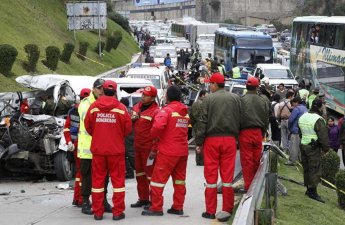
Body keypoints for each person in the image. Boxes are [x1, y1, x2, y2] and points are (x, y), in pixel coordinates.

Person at [195, 73, 241, 222]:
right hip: (229, 140)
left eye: (210, 84)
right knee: (227, 178)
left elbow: (202, 122)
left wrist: (199, 142)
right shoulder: (235, 98)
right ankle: (227, 209)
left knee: (211, 177)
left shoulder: (208, 99)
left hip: (212, 141)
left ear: (215, 84)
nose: (209, 86)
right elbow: (241, 119)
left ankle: (210, 211)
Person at [85, 80, 132, 221]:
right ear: (115, 91)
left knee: (97, 182)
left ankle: (98, 212)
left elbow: (88, 127)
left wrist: (99, 134)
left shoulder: (93, 107)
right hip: (116, 151)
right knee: (118, 183)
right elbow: (128, 128)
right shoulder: (121, 108)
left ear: (103, 91)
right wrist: (116, 136)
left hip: (99, 151)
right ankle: (118, 212)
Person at [142, 85, 190, 216]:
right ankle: (178, 206)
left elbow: (157, 127)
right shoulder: (184, 112)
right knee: (179, 180)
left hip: (168, 151)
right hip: (182, 151)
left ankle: (156, 207)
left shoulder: (166, 111)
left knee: (157, 180)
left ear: (167, 96)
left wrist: (152, 137)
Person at [77, 78, 112, 215]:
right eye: (99, 88)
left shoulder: (104, 103)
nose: (101, 91)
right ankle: (85, 202)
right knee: (87, 177)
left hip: (102, 147)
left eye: (103, 88)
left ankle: (103, 201)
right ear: (93, 89)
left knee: (104, 176)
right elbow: (90, 125)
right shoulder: (86, 104)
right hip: (88, 148)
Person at [239, 76, 270, 191]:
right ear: (257, 87)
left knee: (247, 161)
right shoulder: (263, 100)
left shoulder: (241, 100)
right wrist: (262, 132)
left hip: (244, 133)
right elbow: (266, 118)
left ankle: (248, 186)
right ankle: (256, 186)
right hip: (258, 132)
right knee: (257, 160)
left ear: (246, 87)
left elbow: (238, 118)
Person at [130, 86, 159, 208]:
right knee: (140, 175)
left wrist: (154, 150)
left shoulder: (156, 112)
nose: (142, 97)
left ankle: (154, 200)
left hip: (148, 149)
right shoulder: (136, 107)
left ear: (152, 98)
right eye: (142, 94)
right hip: (137, 147)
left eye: (146, 95)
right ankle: (143, 198)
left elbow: (158, 133)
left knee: (150, 176)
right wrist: (131, 119)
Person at [63, 88, 91, 207]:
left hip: (74, 146)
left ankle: (76, 198)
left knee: (79, 173)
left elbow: (66, 128)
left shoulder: (72, 110)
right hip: (83, 147)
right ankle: (80, 199)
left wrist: (69, 142)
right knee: (84, 174)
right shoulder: (88, 110)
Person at [298, 99, 329, 203]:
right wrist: (326, 149)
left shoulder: (303, 116)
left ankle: (308, 189)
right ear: (320, 108)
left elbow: (300, 132)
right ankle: (313, 192)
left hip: (303, 145)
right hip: (313, 148)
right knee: (314, 169)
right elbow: (323, 136)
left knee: (306, 168)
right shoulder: (318, 119)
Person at [286, 96, 308, 165]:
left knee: (294, 146)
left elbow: (290, 120)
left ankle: (292, 161)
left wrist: (289, 128)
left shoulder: (297, 109)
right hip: (303, 131)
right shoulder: (305, 108)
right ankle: (300, 160)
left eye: (293, 103)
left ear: (297, 102)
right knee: (301, 147)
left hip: (295, 130)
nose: (293, 105)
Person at [190, 89, 208, 166]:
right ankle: (201, 161)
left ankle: (199, 161)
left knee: (198, 144)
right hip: (201, 126)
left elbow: (191, 116)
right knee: (201, 144)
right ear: (203, 95)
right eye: (207, 94)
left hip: (197, 126)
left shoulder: (195, 103)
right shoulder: (203, 103)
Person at [120, 98, 135, 179]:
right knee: (129, 154)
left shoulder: (124, 111)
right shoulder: (132, 110)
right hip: (132, 134)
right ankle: (131, 171)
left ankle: (133, 170)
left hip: (127, 135)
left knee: (128, 154)